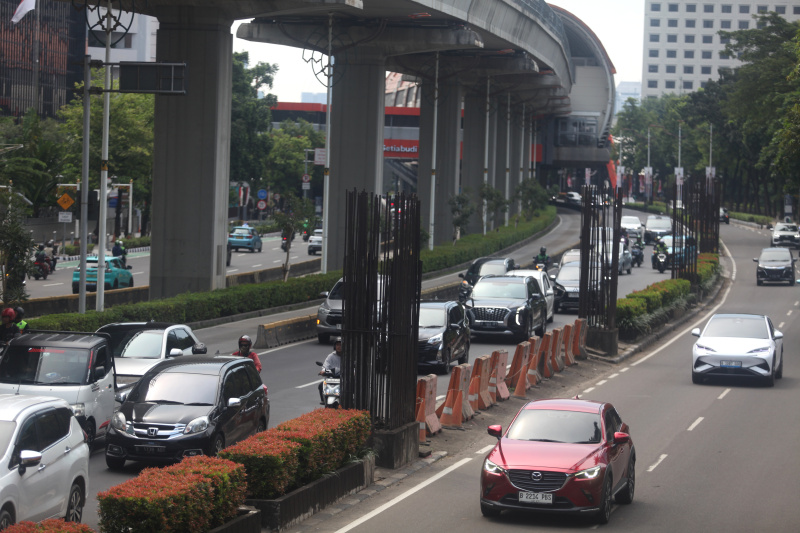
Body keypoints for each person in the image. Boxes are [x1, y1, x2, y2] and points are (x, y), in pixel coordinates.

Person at [318, 338, 342, 405]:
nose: (339, 347)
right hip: (332, 378)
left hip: (344, 378)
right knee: (321, 385)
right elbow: (325, 365)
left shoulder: (348, 356)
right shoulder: (331, 356)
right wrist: (323, 371)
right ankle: (323, 400)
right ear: (335, 346)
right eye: (337, 345)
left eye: (341, 345)